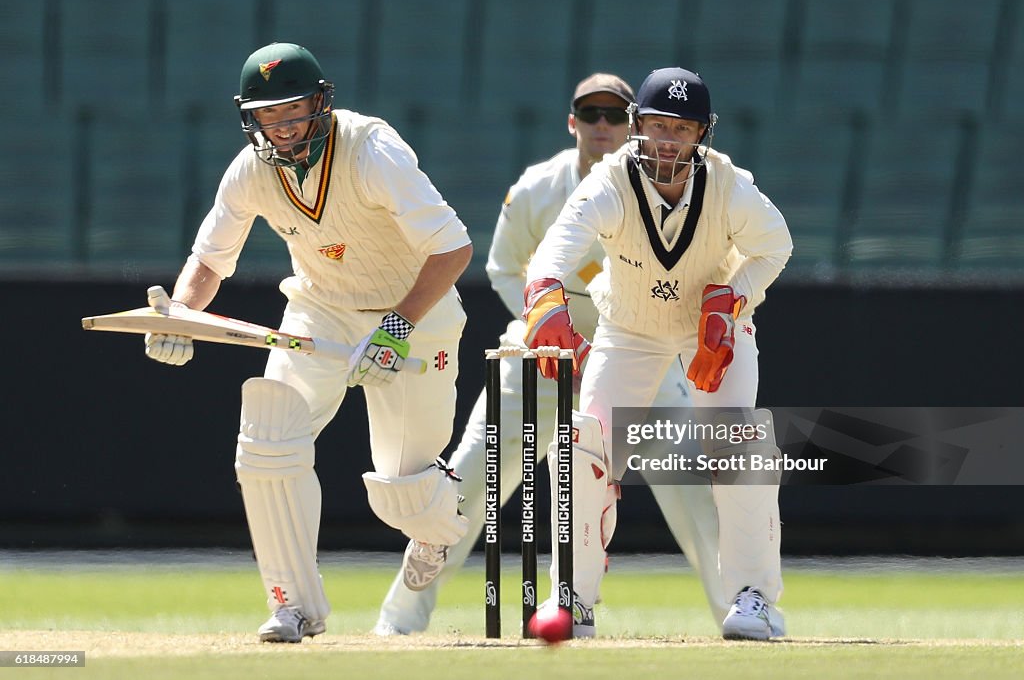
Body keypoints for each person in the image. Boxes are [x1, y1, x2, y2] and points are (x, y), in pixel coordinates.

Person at [374, 73, 728, 637]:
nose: (604, 126)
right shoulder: (538, 188)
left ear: (633, 123)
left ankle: (739, 613)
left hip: (641, 355)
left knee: (696, 491)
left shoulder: (679, 191)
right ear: (574, 123)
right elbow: (503, 268)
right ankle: (400, 619)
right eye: (593, 114)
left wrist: (618, 342)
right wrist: (551, 329)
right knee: (467, 484)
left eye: (616, 114)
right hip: (540, 361)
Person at [143, 42, 473, 642]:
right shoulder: (250, 171)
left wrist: (396, 327)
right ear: (252, 119)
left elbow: (453, 249)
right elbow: (209, 261)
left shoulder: (373, 151)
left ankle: (434, 527)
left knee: (404, 488)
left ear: (321, 104)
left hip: (414, 314)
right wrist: (182, 318)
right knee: (266, 441)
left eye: (293, 111)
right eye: (269, 116)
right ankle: (293, 606)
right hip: (319, 310)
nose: (283, 128)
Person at [522, 67, 793, 640]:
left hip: (710, 329)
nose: (669, 139)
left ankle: (755, 599)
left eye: (683, 127)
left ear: (702, 134)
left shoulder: (729, 187)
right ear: (635, 127)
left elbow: (776, 246)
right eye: (657, 125)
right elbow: (554, 252)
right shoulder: (609, 183)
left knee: (736, 442)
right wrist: (545, 302)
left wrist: (733, 302)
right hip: (630, 328)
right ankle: (574, 596)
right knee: (584, 443)